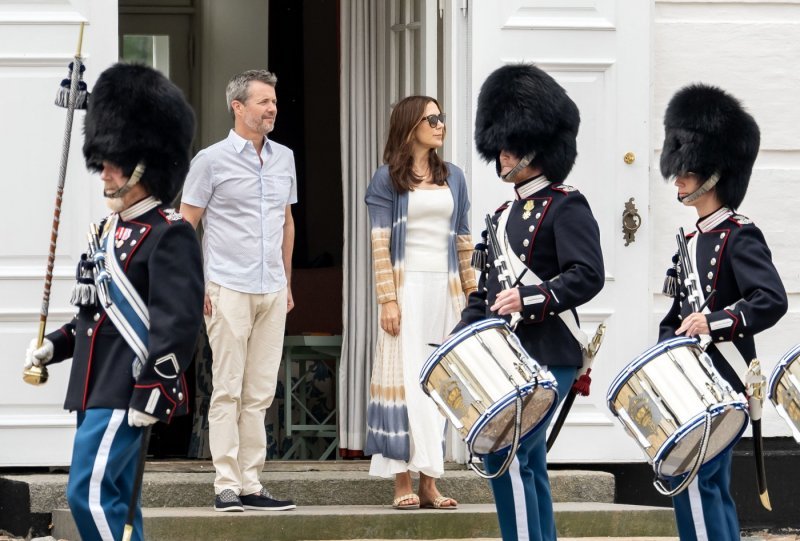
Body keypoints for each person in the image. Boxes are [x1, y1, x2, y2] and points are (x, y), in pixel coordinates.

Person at [23, 63, 204, 541]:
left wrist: (154, 391)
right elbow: (95, 315)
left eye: (114, 161)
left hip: (127, 388)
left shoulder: (171, 234)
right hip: (94, 385)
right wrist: (54, 347)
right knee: (120, 503)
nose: (103, 171)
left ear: (144, 163)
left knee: (87, 494)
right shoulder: (106, 233)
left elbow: (177, 323)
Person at [454, 64, 604, 541]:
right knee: (527, 459)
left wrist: (532, 296)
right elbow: (486, 290)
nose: (500, 153)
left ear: (534, 148)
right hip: (507, 358)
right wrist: (462, 336)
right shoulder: (499, 215)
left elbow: (587, 275)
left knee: (506, 453)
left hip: (550, 351)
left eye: (509, 144)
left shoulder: (566, 204)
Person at [658, 83, 787, 541]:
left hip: (725, 375)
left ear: (713, 173)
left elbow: (771, 300)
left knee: (698, 480)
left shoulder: (739, 234)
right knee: (699, 481)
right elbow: (676, 315)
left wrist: (716, 322)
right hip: (691, 378)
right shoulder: (689, 243)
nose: (678, 178)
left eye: (686, 171)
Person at [179, 69, 297, 512]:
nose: (272, 108)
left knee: (260, 393)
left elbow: (286, 222)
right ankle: (225, 485)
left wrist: (287, 281)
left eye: (274, 101)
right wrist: (198, 285)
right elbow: (185, 227)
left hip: (272, 289)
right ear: (238, 107)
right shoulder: (210, 161)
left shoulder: (284, 157)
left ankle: (251, 484)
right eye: (263, 101)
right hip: (227, 287)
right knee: (228, 389)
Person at [364, 95, 477, 510]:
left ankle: (431, 480)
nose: (440, 124)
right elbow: (379, 245)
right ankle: (401, 481)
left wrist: (473, 298)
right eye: (431, 118)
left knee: (442, 385)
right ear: (411, 126)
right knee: (406, 383)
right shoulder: (386, 180)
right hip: (406, 289)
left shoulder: (456, 178)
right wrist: (387, 300)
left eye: (441, 117)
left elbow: (464, 240)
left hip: (446, 293)